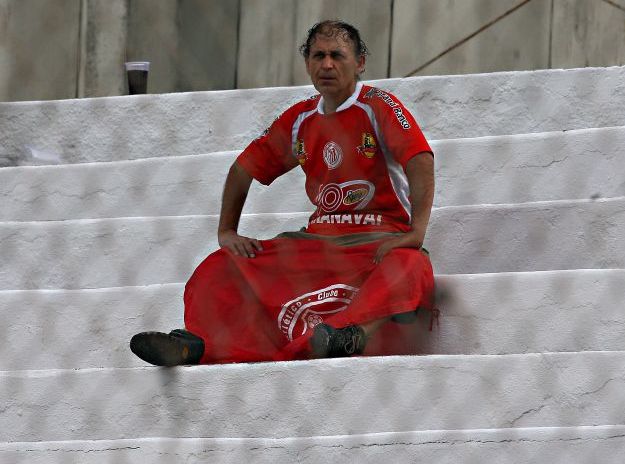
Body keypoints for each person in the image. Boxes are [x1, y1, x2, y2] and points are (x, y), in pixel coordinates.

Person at [130, 20, 435, 366]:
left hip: (375, 242)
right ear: (307, 63)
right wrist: (227, 231)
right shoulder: (300, 119)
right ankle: (198, 345)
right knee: (223, 264)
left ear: (360, 62)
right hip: (316, 244)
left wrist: (416, 232)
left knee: (413, 265)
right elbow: (243, 170)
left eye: (338, 55)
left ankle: (351, 336)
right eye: (318, 56)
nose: (327, 65)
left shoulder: (378, 105)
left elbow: (420, 158)